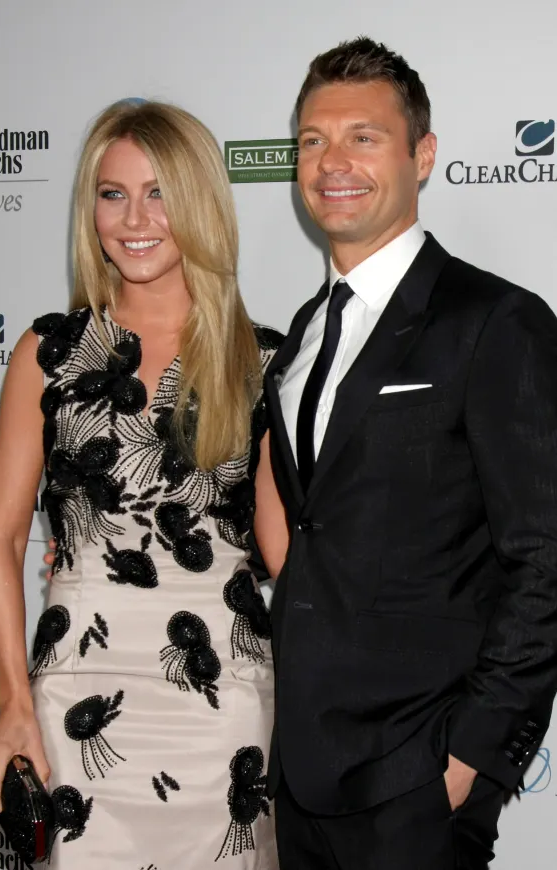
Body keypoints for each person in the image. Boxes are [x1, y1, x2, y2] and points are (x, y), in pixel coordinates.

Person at [264, 36, 557, 870]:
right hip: (302, 771)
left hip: (419, 775)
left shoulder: (495, 323)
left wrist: (474, 754)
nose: (332, 162)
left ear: (422, 155)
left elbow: (545, 555)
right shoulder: (302, 335)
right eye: (313, 141)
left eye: (364, 137)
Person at [0, 99, 288, 869]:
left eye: (160, 193)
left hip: (223, 709)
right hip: (71, 699)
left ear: (201, 206)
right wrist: (13, 703)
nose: (135, 217)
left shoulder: (265, 363)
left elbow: (288, 555)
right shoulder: (48, 354)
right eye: (113, 193)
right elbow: (2, 537)